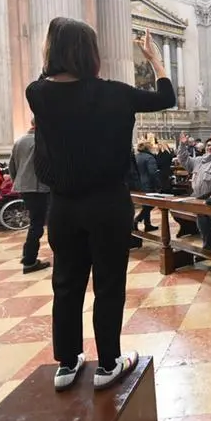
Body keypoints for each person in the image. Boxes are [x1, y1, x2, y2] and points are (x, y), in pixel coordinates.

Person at [26, 19, 176, 392]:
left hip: (63, 205)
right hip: (108, 201)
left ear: (52, 50)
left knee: (65, 283)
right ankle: (108, 363)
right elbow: (165, 98)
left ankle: (67, 362)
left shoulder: (37, 93)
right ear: (91, 53)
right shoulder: (116, 94)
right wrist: (155, 60)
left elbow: (49, 85)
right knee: (109, 285)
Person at [177, 133, 211, 253]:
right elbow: (184, 159)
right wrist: (182, 145)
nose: (210, 147)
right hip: (200, 199)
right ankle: (207, 250)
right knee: (203, 227)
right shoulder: (198, 161)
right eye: (208, 145)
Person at [9, 119, 52, 274]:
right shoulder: (41, 141)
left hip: (25, 187)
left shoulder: (19, 141)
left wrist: (18, 183)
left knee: (35, 221)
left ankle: (27, 254)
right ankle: (29, 260)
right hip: (40, 187)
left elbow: (11, 166)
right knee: (39, 224)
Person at [133, 140, 160, 232]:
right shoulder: (149, 157)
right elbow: (153, 173)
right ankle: (137, 219)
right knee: (152, 204)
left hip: (138, 184)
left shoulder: (136, 157)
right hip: (148, 184)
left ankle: (147, 224)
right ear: (148, 148)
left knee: (146, 204)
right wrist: (158, 185)